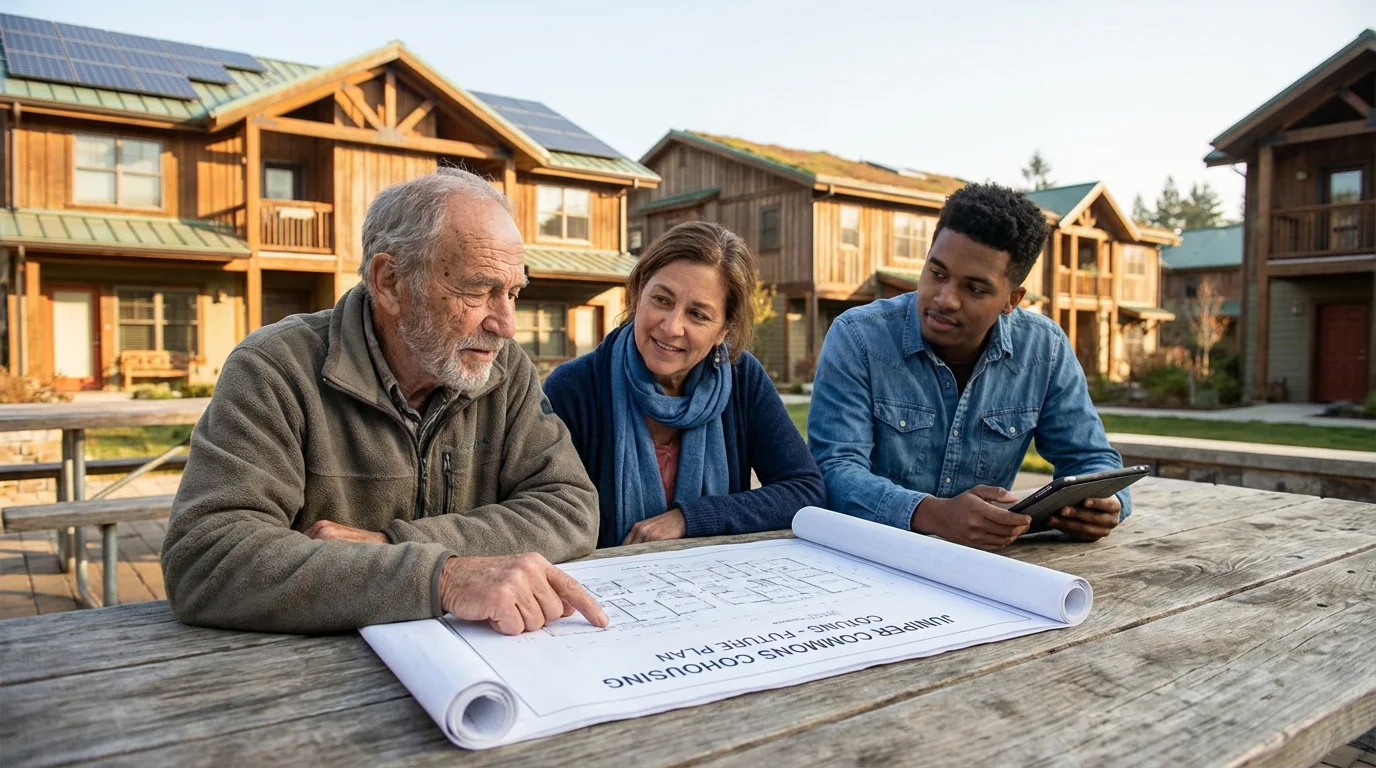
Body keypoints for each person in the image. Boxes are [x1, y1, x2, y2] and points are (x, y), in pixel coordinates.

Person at [162, 168, 608, 635]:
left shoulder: (504, 369)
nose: (506, 325)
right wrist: (442, 579)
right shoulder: (275, 368)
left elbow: (571, 507)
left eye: (513, 292)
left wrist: (392, 544)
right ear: (390, 282)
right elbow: (207, 558)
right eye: (480, 289)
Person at [808, 182, 1131, 551]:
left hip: (985, 565)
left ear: (1012, 299)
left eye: (974, 289)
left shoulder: (1044, 348)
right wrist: (932, 514)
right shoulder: (859, 337)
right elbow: (833, 471)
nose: (945, 299)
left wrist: (1106, 504)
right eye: (938, 273)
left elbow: (1090, 458)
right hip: (865, 557)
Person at [544, 221, 824, 547]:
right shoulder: (575, 388)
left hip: (712, 584)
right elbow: (550, 513)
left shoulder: (742, 378)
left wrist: (689, 519)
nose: (672, 326)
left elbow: (805, 491)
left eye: (698, 315)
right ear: (638, 294)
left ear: (723, 331)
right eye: (662, 300)